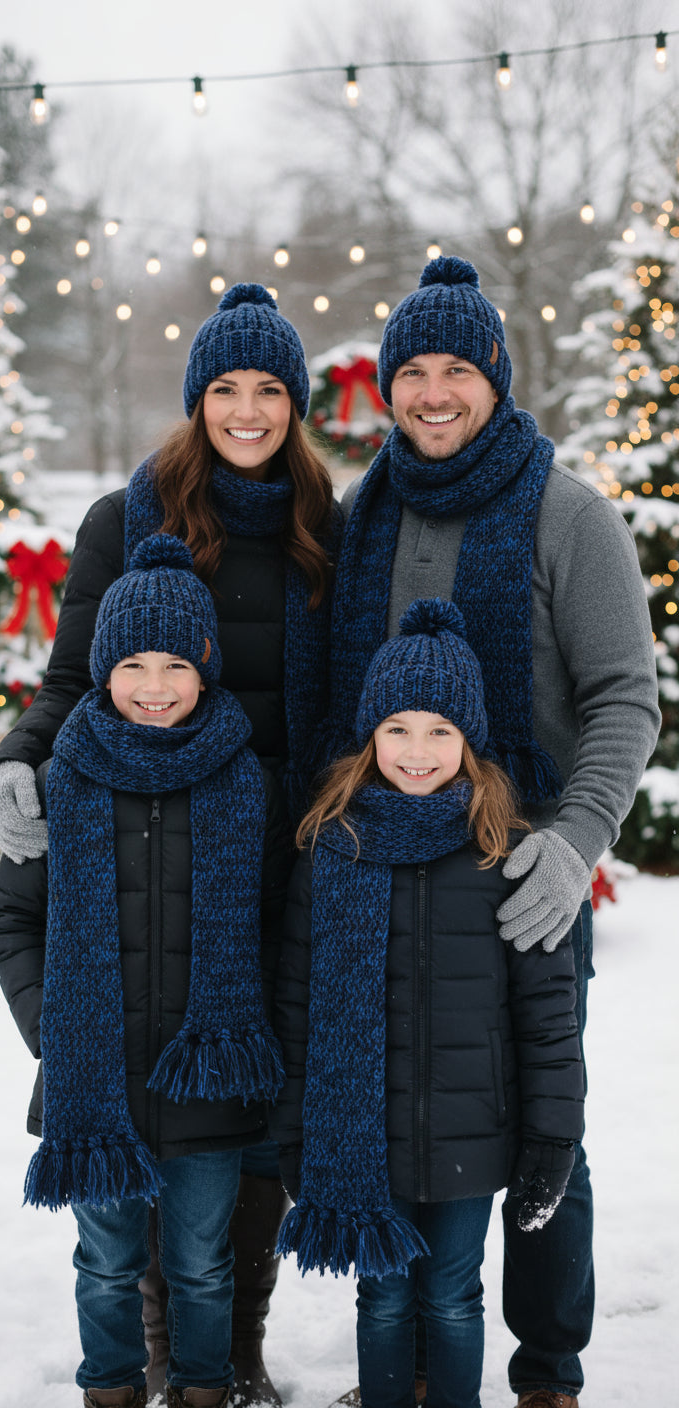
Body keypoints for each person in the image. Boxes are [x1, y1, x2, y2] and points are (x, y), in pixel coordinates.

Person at [0, 282, 340, 1406]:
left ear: (296, 401)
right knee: (156, 1131)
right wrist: (17, 758)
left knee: (249, 1128)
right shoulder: (125, 518)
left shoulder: (326, 520)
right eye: (224, 389)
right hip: (149, 821)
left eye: (269, 389)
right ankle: (158, 1352)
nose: (246, 410)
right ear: (196, 400)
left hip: (282, 841)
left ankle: (230, 1349)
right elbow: (68, 678)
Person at [323, 255, 661, 1407]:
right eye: (409, 370)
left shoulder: (568, 514)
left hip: (521, 882)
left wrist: (571, 845)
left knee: (538, 1124)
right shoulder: (365, 510)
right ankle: (422, 1349)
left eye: (454, 368)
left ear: (494, 378)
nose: (429, 391)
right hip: (387, 879)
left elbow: (626, 695)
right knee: (412, 1112)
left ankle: (548, 1364)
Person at [0, 534, 290, 1408]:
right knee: (106, 1263)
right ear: (103, 671)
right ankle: (110, 1389)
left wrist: (251, 1023)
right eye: (131, 665)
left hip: (209, 1085)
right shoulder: (61, 779)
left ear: (206, 669)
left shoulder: (246, 783)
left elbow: (278, 922)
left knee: (201, 1264)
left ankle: (203, 1390)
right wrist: (55, 1025)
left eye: (174, 666)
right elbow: (12, 915)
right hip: (96, 1077)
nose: (153, 688)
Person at [271, 598, 585, 1408]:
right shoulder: (331, 846)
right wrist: (295, 1129)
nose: (417, 751)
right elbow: (297, 1009)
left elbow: (547, 1022)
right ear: (370, 736)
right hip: (359, 1133)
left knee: (452, 1295)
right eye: (398, 729)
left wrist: (551, 1135)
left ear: (470, 741)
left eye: (440, 730)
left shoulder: (506, 855)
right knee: (380, 1299)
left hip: (471, 1136)